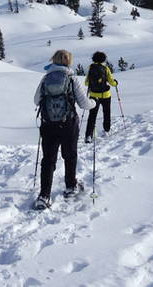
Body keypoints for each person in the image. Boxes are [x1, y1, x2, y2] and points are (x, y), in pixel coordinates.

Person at [33, 49, 95, 210]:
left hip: (48, 125)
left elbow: (36, 100)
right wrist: (93, 103)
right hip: (68, 123)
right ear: (68, 61)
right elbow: (84, 104)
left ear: (53, 60)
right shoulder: (71, 78)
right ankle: (70, 186)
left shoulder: (46, 78)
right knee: (70, 155)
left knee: (48, 160)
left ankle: (44, 195)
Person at [84, 51, 118, 142]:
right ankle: (106, 130)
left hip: (94, 95)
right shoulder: (105, 68)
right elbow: (111, 82)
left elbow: (86, 82)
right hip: (105, 95)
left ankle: (88, 135)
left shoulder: (91, 68)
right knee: (106, 113)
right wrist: (115, 83)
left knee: (92, 115)